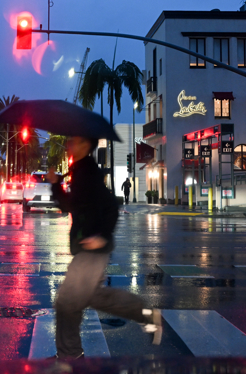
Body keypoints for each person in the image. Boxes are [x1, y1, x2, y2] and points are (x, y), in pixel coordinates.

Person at [48, 136, 162, 360]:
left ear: (85, 145)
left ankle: (70, 356)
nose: (69, 144)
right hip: (87, 246)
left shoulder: (88, 173)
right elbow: (71, 205)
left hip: (92, 248)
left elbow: (109, 205)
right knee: (93, 297)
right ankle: (146, 314)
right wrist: (56, 183)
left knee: (67, 301)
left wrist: (101, 236)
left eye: (74, 141)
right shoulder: (80, 171)